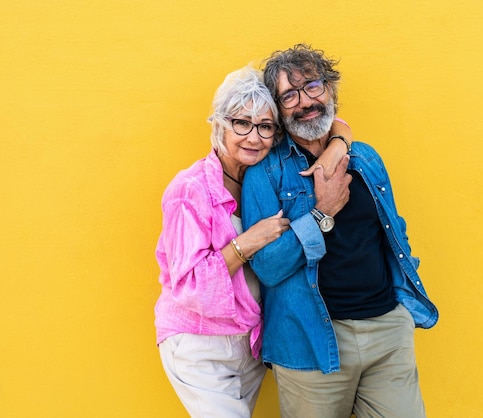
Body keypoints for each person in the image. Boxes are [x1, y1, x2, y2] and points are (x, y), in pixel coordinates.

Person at [241, 44, 439, 418]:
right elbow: (267, 267)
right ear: (279, 111)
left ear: (329, 89)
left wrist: (400, 315)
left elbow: (395, 231)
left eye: (312, 86)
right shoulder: (265, 174)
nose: (305, 101)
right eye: (289, 95)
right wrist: (321, 213)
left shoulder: (365, 157)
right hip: (310, 343)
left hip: (386, 333)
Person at [154, 65, 352, 418]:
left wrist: (339, 138)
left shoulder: (265, 180)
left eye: (264, 127)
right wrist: (247, 242)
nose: (253, 137)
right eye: (241, 123)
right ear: (219, 124)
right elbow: (193, 287)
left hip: (248, 339)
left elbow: (330, 125)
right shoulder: (190, 190)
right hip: (200, 342)